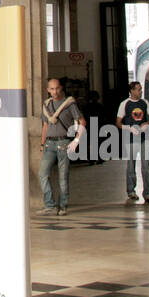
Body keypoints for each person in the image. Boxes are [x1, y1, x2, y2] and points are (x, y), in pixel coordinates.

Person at [39, 77, 85, 216]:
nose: (55, 91)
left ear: (61, 88)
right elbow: (45, 126)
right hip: (49, 143)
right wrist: (42, 144)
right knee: (42, 174)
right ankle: (50, 205)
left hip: (64, 142)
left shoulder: (69, 104)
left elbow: (82, 122)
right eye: (52, 89)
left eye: (57, 88)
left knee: (63, 176)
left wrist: (76, 141)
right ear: (48, 90)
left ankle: (63, 205)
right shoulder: (46, 106)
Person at [116, 81, 149, 204]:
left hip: (144, 138)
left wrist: (147, 123)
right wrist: (128, 128)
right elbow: (118, 122)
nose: (140, 91)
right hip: (131, 139)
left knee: (145, 166)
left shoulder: (145, 103)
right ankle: (131, 191)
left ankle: (147, 193)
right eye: (138, 89)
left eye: (141, 89)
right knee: (131, 165)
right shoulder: (124, 104)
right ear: (132, 91)